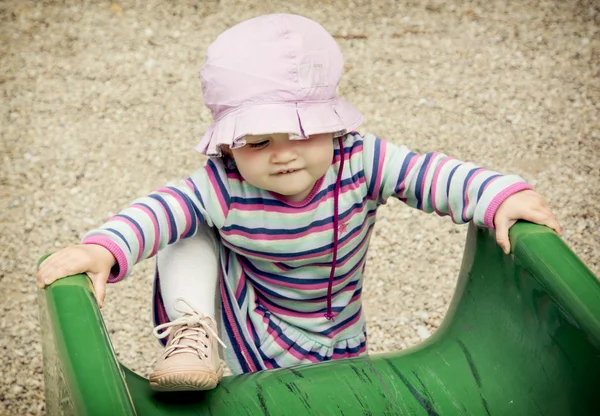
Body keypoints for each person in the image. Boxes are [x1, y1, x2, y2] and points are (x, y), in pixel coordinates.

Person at [36, 13, 561, 392]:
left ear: (334, 126)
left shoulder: (361, 159)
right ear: (226, 145)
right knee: (185, 223)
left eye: (303, 133)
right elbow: (157, 210)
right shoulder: (223, 183)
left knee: (334, 391)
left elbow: (432, 175)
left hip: (337, 326)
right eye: (258, 142)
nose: (283, 156)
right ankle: (192, 336)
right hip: (249, 320)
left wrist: (499, 194)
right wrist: (102, 249)